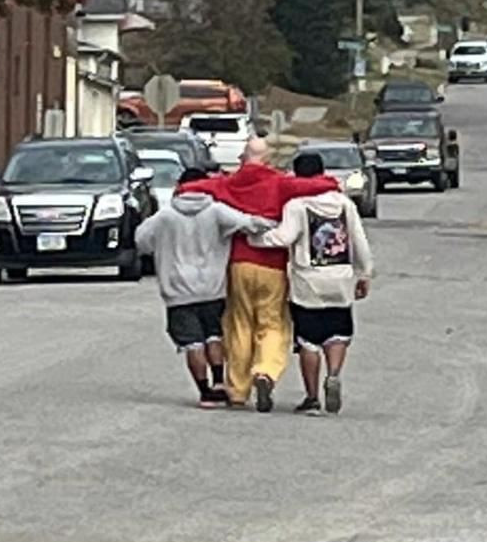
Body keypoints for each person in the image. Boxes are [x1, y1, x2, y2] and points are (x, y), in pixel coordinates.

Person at [178, 137, 339, 412]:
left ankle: (237, 390)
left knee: (238, 325)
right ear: (267, 159)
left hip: (238, 263)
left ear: (243, 157)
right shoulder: (280, 183)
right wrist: (332, 183)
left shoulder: (227, 183)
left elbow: (191, 188)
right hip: (272, 265)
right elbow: (319, 185)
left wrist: (184, 187)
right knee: (272, 324)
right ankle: (265, 371)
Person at [135, 167, 272, 409]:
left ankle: (205, 391)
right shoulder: (217, 211)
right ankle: (220, 381)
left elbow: (141, 240)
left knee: (192, 344)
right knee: (213, 335)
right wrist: (274, 222)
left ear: (181, 186)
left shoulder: (165, 216)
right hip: (212, 287)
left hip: (177, 291)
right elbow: (249, 223)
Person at [249, 153, 373, 415]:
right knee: (338, 332)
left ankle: (313, 397)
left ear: (296, 174)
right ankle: (334, 375)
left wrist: (255, 240)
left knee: (309, 341)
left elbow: (285, 237)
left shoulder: (297, 205)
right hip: (340, 278)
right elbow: (358, 240)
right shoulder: (343, 203)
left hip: (308, 283)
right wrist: (364, 274)